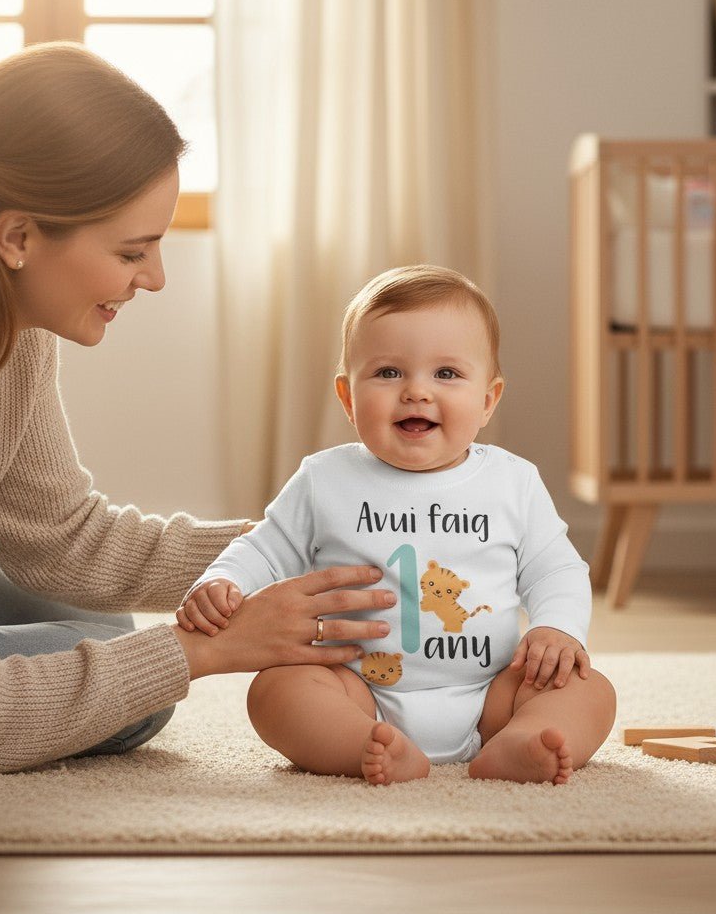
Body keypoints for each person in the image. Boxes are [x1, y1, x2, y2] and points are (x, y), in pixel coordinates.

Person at [0, 42, 390, 774]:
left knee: (106, 631)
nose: (156, 278)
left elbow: (63, 542)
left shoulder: (13, 335)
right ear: (17, 237)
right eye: (132, 252)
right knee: (136, 680)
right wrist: (205, 650)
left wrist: (293, 544)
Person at [178, 265, 616, 784]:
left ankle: (522, 739)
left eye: (446, 374)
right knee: (276, 691)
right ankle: (362, 744)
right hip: (357, 688)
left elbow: (556, 569)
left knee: (588, 689)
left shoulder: (513, 482)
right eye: (388, 373)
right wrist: (223, 580)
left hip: (492, 693)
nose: (416, 392)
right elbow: (263, 548)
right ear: (348, 398)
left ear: (487, 400)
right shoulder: (324, 479)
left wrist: (557, 629)